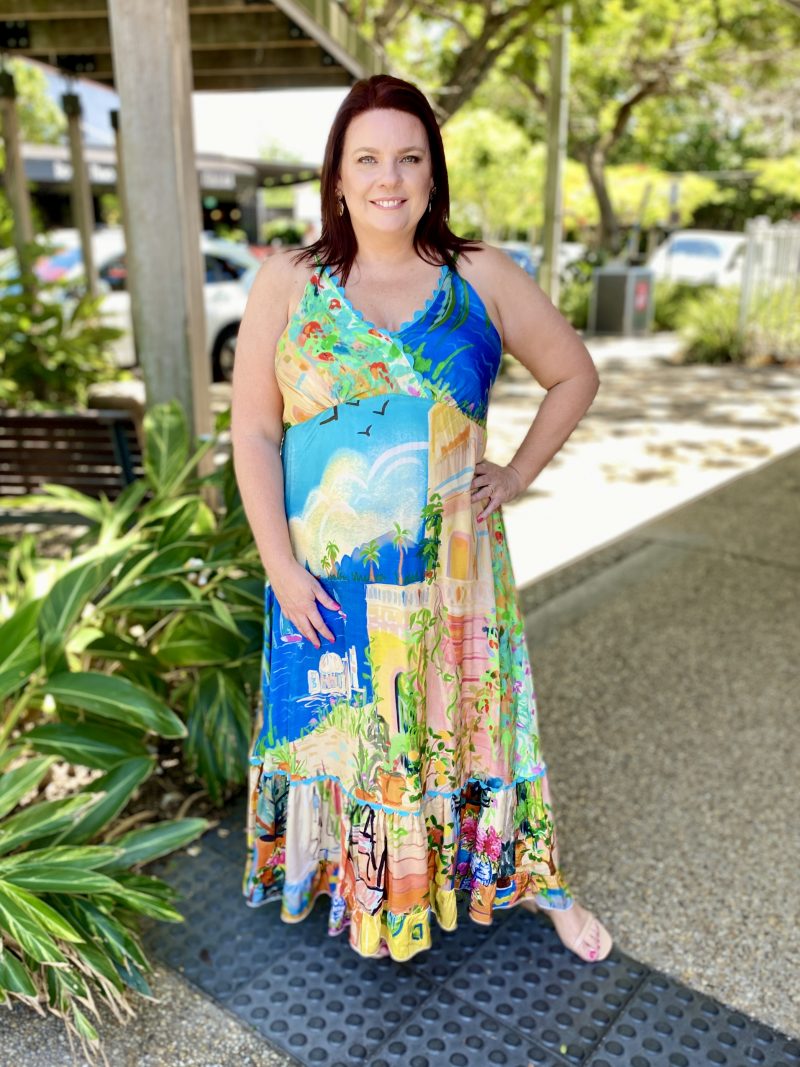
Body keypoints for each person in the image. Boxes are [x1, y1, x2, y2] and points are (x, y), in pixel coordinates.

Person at [231, 73, 612, 964]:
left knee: (468, 729)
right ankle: (363, 885)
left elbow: (575, 374)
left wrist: (515, 473)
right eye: (366, 159)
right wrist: (280, 567)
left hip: (453, 577)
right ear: (337, 175)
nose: (388, 178)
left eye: (408, 158)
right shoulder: (289, 281)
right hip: (326, 582)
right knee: (347, 737)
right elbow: (254, 430)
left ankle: (532, 880)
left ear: (433, 173)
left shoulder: (479, 275)